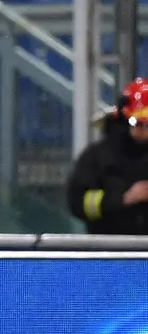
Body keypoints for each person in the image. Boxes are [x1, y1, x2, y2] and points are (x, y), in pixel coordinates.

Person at [67, 78, 148, 234]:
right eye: (137, 123)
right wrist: (123, 198)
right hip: (109, 250)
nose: (144, 129)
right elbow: (77, 203)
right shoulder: (99, 156)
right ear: (124, 120)